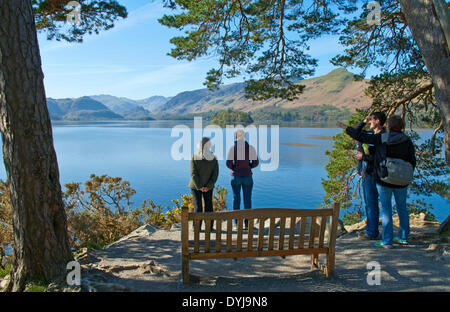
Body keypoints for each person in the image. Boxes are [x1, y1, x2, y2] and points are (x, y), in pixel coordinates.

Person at [337, 115, 416, 249]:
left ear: (389, 126)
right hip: (402, 180)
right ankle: (403, 237)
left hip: (384, 179)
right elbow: (412, 160)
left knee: (386, 210)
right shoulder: (407, 140)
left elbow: (362, 137)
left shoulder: (383, 137)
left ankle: (387, 241)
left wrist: (346, 128)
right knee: (402, 208)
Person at [354, 112, 386, 241]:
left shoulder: (383, 136)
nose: (370, 122)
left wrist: (364, 157)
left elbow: (381, 156)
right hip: (368, 173)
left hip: (377, 173)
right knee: (370, 204)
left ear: (378, 121)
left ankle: (375, 232)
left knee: (379, 203)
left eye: (371, 120)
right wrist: (364, 121)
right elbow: (355, 132)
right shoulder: (369, 135)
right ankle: (373, 231)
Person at [226, 129, 259, 229]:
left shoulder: (233, 148)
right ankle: (247, 224)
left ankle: (236, 223)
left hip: (236, 177)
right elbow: (256, 162)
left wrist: (235, 168)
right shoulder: (250, 148)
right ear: (244, 137)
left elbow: (228, 163)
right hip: (248, 177)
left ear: (236, 137)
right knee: (247, 200)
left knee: (236, 199)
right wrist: (248, 166)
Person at [188, 137, 219, 231]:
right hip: (208, 187)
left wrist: (199, 186)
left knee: (197, 206)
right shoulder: (213, 157)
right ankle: (209, 226)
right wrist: (208, 186)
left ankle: (196, 227)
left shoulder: (194, 156)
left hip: (195, 186)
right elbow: (215, 174)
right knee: (209, 205)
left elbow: (193, 173)